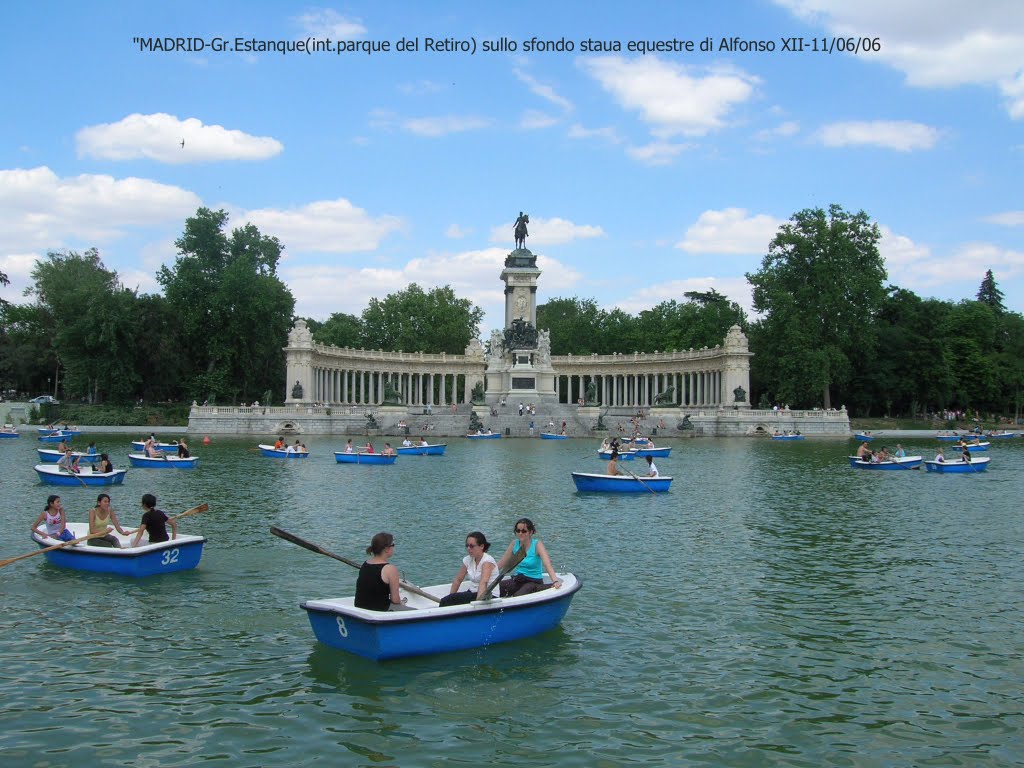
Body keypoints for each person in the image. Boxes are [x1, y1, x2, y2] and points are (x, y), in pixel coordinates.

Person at [496, 518, 562, 598]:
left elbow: (547, 565)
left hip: (533, 581)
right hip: (519, 580)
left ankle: (547, 587)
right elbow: (501, 563)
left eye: (524, 531)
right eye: (518, 531)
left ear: (530, 532)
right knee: (496, 589)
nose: (520, 533)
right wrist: (486, 574)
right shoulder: (514, 544)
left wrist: (555, 581)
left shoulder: (537, 545)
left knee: (518, 596)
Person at [439, 532, 498, 607]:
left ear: (482, 546)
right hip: (473, 592)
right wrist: (451, 598)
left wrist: (478, 604)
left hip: (488, 596)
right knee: (448, 600)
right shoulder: (468, 560)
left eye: (471, 546)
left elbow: (483, 582)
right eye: (467, 546)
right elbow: (458, 580)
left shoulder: (487, 561)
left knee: (447, 600)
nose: (468, 549)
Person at [354, 532, 408, 611]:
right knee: (417, 613)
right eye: (393, 545)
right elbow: (395, 599)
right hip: (379, 610)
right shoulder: (390, 569)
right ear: (386, 549)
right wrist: (402, 603)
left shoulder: (365, 564)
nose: (394, 547)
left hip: (360, 608)